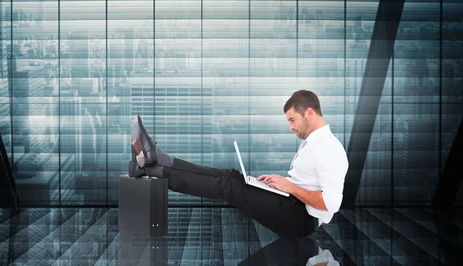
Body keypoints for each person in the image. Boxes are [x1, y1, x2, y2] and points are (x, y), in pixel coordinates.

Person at [129, 90, 349, 237]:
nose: (291, 127)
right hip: (291, 203)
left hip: (300, 219)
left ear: (309, 113)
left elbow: (330, 204)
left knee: (229, 187)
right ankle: (162, 159)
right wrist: (279, 183)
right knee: (232, 176)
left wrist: (290, 186)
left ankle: (155, 170)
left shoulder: (329, 148)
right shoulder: (315, 142)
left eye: (292, 120)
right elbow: (307, 183)